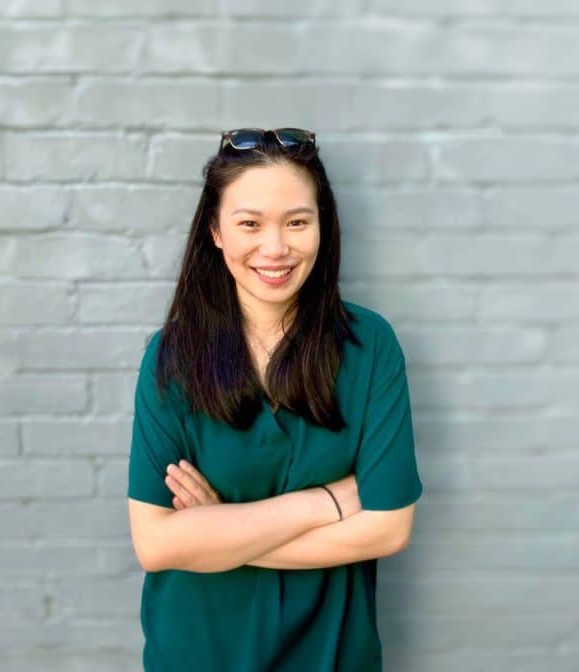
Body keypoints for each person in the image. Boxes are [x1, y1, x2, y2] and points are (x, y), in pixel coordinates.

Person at [126, 127, 423, 672]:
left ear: (321, 227)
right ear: (215, 231)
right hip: (196, 655)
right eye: (249, 224)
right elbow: (157, 545)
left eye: (296, 222)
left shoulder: (370, 346)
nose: (275, 248)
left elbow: (388, 527)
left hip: (332, 657)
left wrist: (219, 531)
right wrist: (325, 504)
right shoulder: (171, 357)